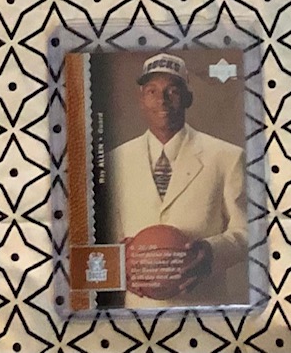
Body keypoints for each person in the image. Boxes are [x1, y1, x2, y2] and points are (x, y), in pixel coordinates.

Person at [106, 54, 248, 308]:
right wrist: (116, 262)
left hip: (205, 309)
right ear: (141, 99)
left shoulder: (227, 156)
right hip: (139, 311)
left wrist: (211, 253)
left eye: (172, 91)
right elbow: (101, 237)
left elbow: (249, 231)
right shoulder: (114, 160)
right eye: (152, 91)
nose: (162, 100)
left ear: (188, 98)